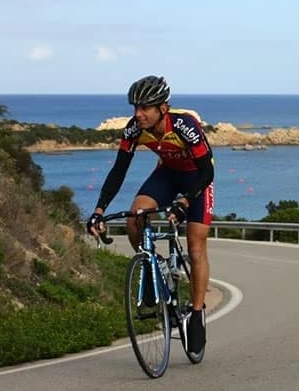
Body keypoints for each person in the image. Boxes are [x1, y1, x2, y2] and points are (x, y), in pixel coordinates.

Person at [86, 75, 214, 355]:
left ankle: (196, 312)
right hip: (167, 174)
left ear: (163, 109)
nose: (138, 114)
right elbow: (119, 170)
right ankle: (152, 265)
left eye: (145, 108)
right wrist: (99, 210)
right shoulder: (134, 129)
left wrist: (183, 202)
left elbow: (207, 171)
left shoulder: (184, 125)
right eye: (135, 107)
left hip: (196, 180)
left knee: (195, 246)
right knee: (135, 217)